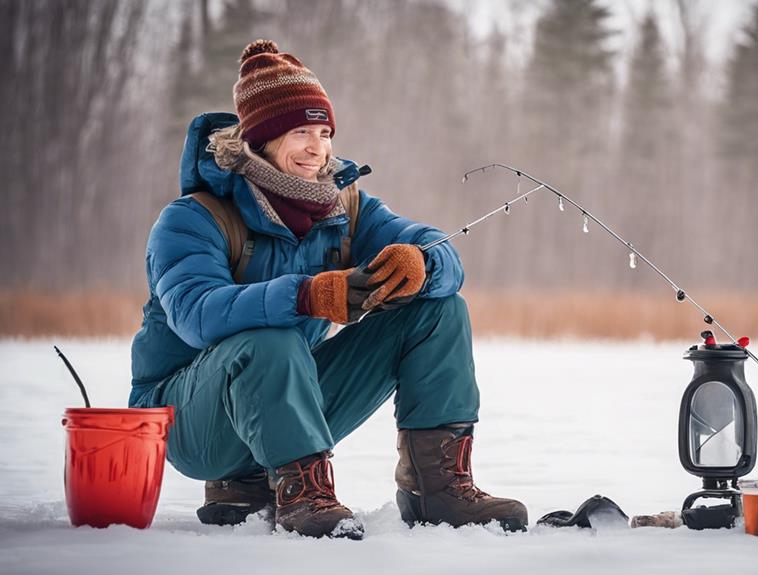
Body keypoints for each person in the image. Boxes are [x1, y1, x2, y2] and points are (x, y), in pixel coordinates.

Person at [128, 39, 527, 538]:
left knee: (439, 310)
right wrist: (307, 295)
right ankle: (304, 495)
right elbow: (196, 314)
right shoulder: (193, 218)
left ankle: (438, 490)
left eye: (323, 132)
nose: (317, 148)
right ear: (261, 139)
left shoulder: (343, 207)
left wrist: (422, 263)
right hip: (187, 420)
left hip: (285, 398)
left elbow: (436, 248)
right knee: (269, 338)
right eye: (300, 132)